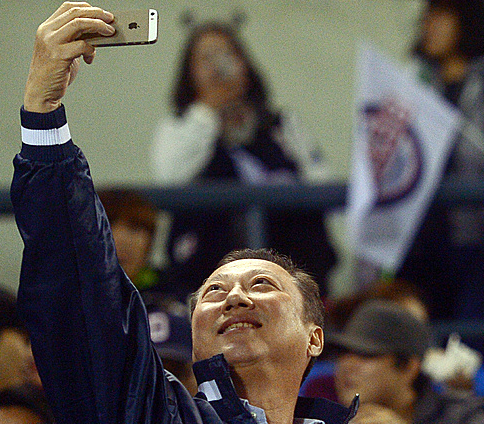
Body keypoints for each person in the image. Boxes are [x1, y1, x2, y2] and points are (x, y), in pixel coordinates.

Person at [11, 3, 358, 424]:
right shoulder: (157, 414)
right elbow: (81, 297)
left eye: (263, 283)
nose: (234, 297)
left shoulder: (283, 125)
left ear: (314, 338)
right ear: (193, 340)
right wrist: (42, 116)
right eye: (212, 293)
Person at [150, 20, 337, 300]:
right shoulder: (178, 126)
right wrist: (208, 111)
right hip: (209, 277)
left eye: (226, 54)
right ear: (189, 73)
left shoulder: (281, 125)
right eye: (206, 58)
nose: (218, 66)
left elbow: (321, 182)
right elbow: (169, 177)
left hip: (292, 273)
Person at [398, 0, 484, 325]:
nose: (428, 25)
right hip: (417, 236)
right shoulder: (413, 83)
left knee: (468, 336)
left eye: (440, 15)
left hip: (473, 237)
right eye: (427, 17)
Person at [327, 300, 484, 424]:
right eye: (343, 353)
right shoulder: (324, 415)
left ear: (409, 368)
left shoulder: (464, 415)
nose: (348, 365)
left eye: (366, 355)